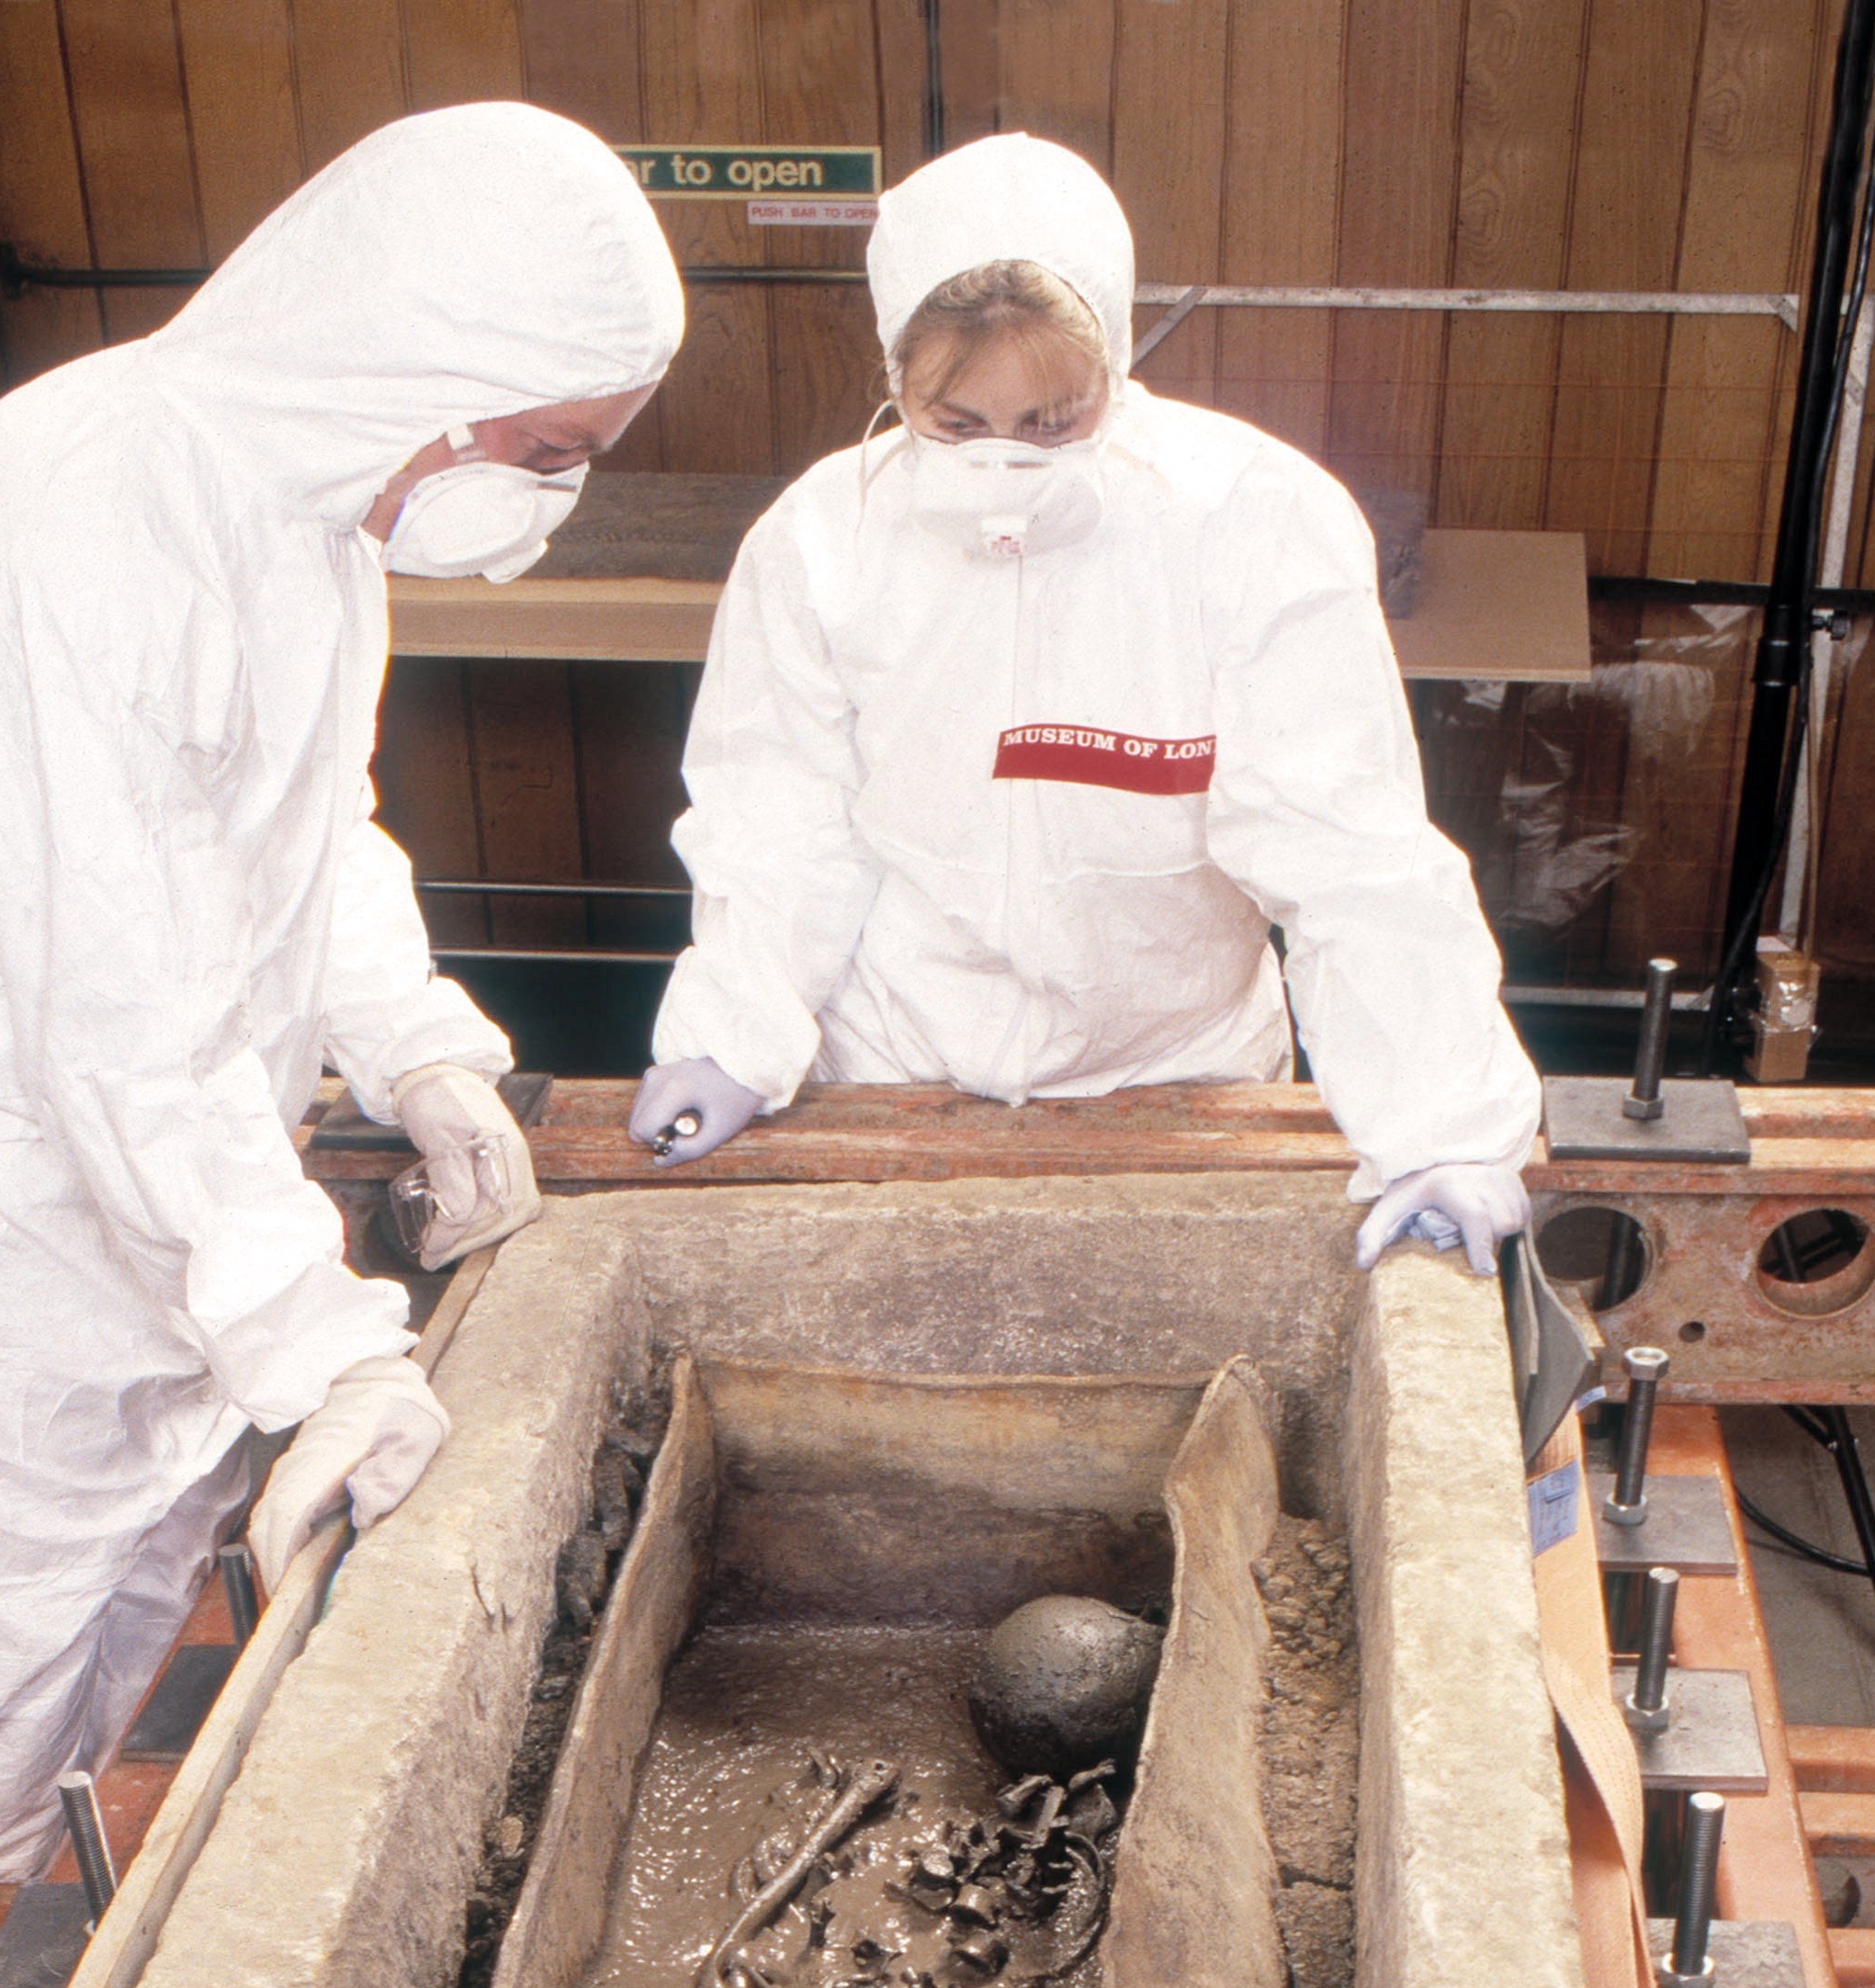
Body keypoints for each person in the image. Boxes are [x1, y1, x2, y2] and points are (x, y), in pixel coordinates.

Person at [0, 107, 679, 1883]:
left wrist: (416, 1049)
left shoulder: (300, 515)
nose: (548, 497)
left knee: (127, 1617)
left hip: (143, 1185)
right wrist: (314, 1340)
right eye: (544, 450)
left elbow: (302, 831)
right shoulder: (66, 525)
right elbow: (116, 997)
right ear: (425, 367)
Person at [627, 136, 1538, 1281]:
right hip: (901, 1068)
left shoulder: (1250, 521)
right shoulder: (824, 539)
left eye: (1054, 420)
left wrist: (1440, 1128)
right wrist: (735, 1036)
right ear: (891, 378)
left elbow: (1346, 850)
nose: (1004, 456)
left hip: (1177, 1077)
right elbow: (778, 820)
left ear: (1115, 361)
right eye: (954, 424)